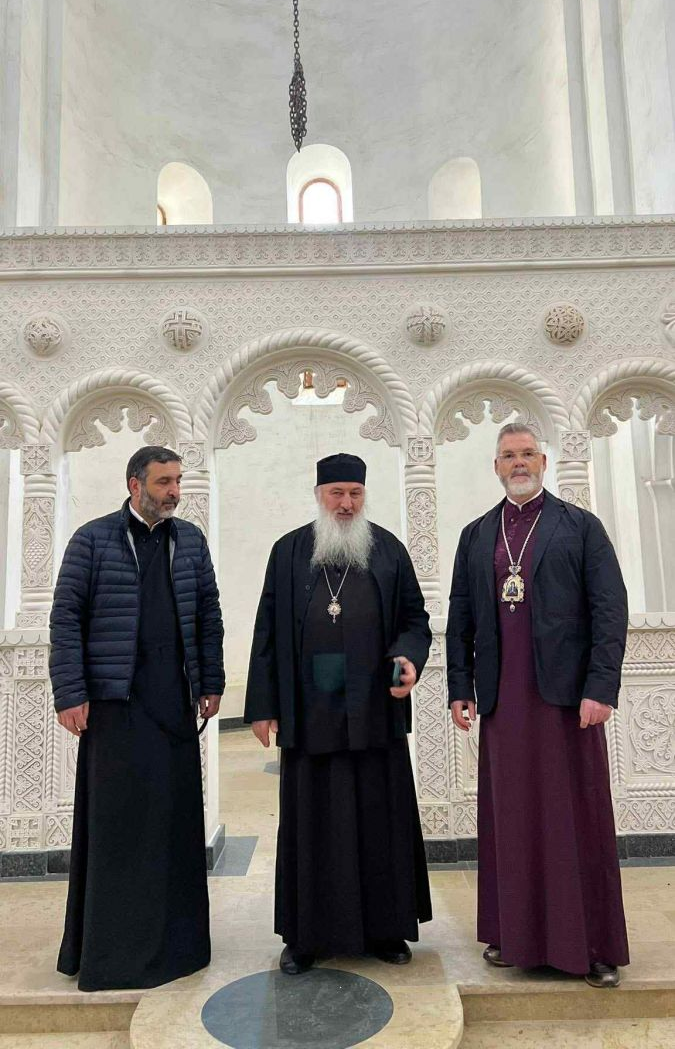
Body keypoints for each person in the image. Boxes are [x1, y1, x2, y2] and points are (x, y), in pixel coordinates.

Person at [446, 422, 629, 987]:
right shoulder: (477, 534)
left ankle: (592, 947)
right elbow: (460, 617)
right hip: (504, 703)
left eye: (527, 454)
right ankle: (517, 939)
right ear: (496, 466)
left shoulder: (580, 526)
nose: (519, 463)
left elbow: (610, 608)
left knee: (576, 816)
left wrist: (601, 687)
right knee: (514, 819)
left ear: (544, 462)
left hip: (566, 701)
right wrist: (460, 688)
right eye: (509, 456)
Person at [245, 452, 432, 975]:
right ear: (319, 496)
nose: (346, 504)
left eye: (354, 493)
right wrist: (262, 706)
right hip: (310, 714)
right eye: (337, 494)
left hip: (374, 710)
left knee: (379, 818)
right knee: (312, 825)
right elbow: (266, 631)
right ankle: (305, 937)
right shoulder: (288, 552)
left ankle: (386, 929)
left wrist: (409, 658)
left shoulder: (388, 550)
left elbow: (415, 620)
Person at [49, 446, 224, 991]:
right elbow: (66, 618)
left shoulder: (189, 540)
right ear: (135, 484)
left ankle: (179, 947)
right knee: (119, 828)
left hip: (172, 704)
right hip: (114, 708)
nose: (174, 492)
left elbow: (209, 613)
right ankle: (115, 953)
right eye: (164, 482)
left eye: (178, 481)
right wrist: (70, 693)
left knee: (173, 824)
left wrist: (212, 682)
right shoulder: (92, 540)